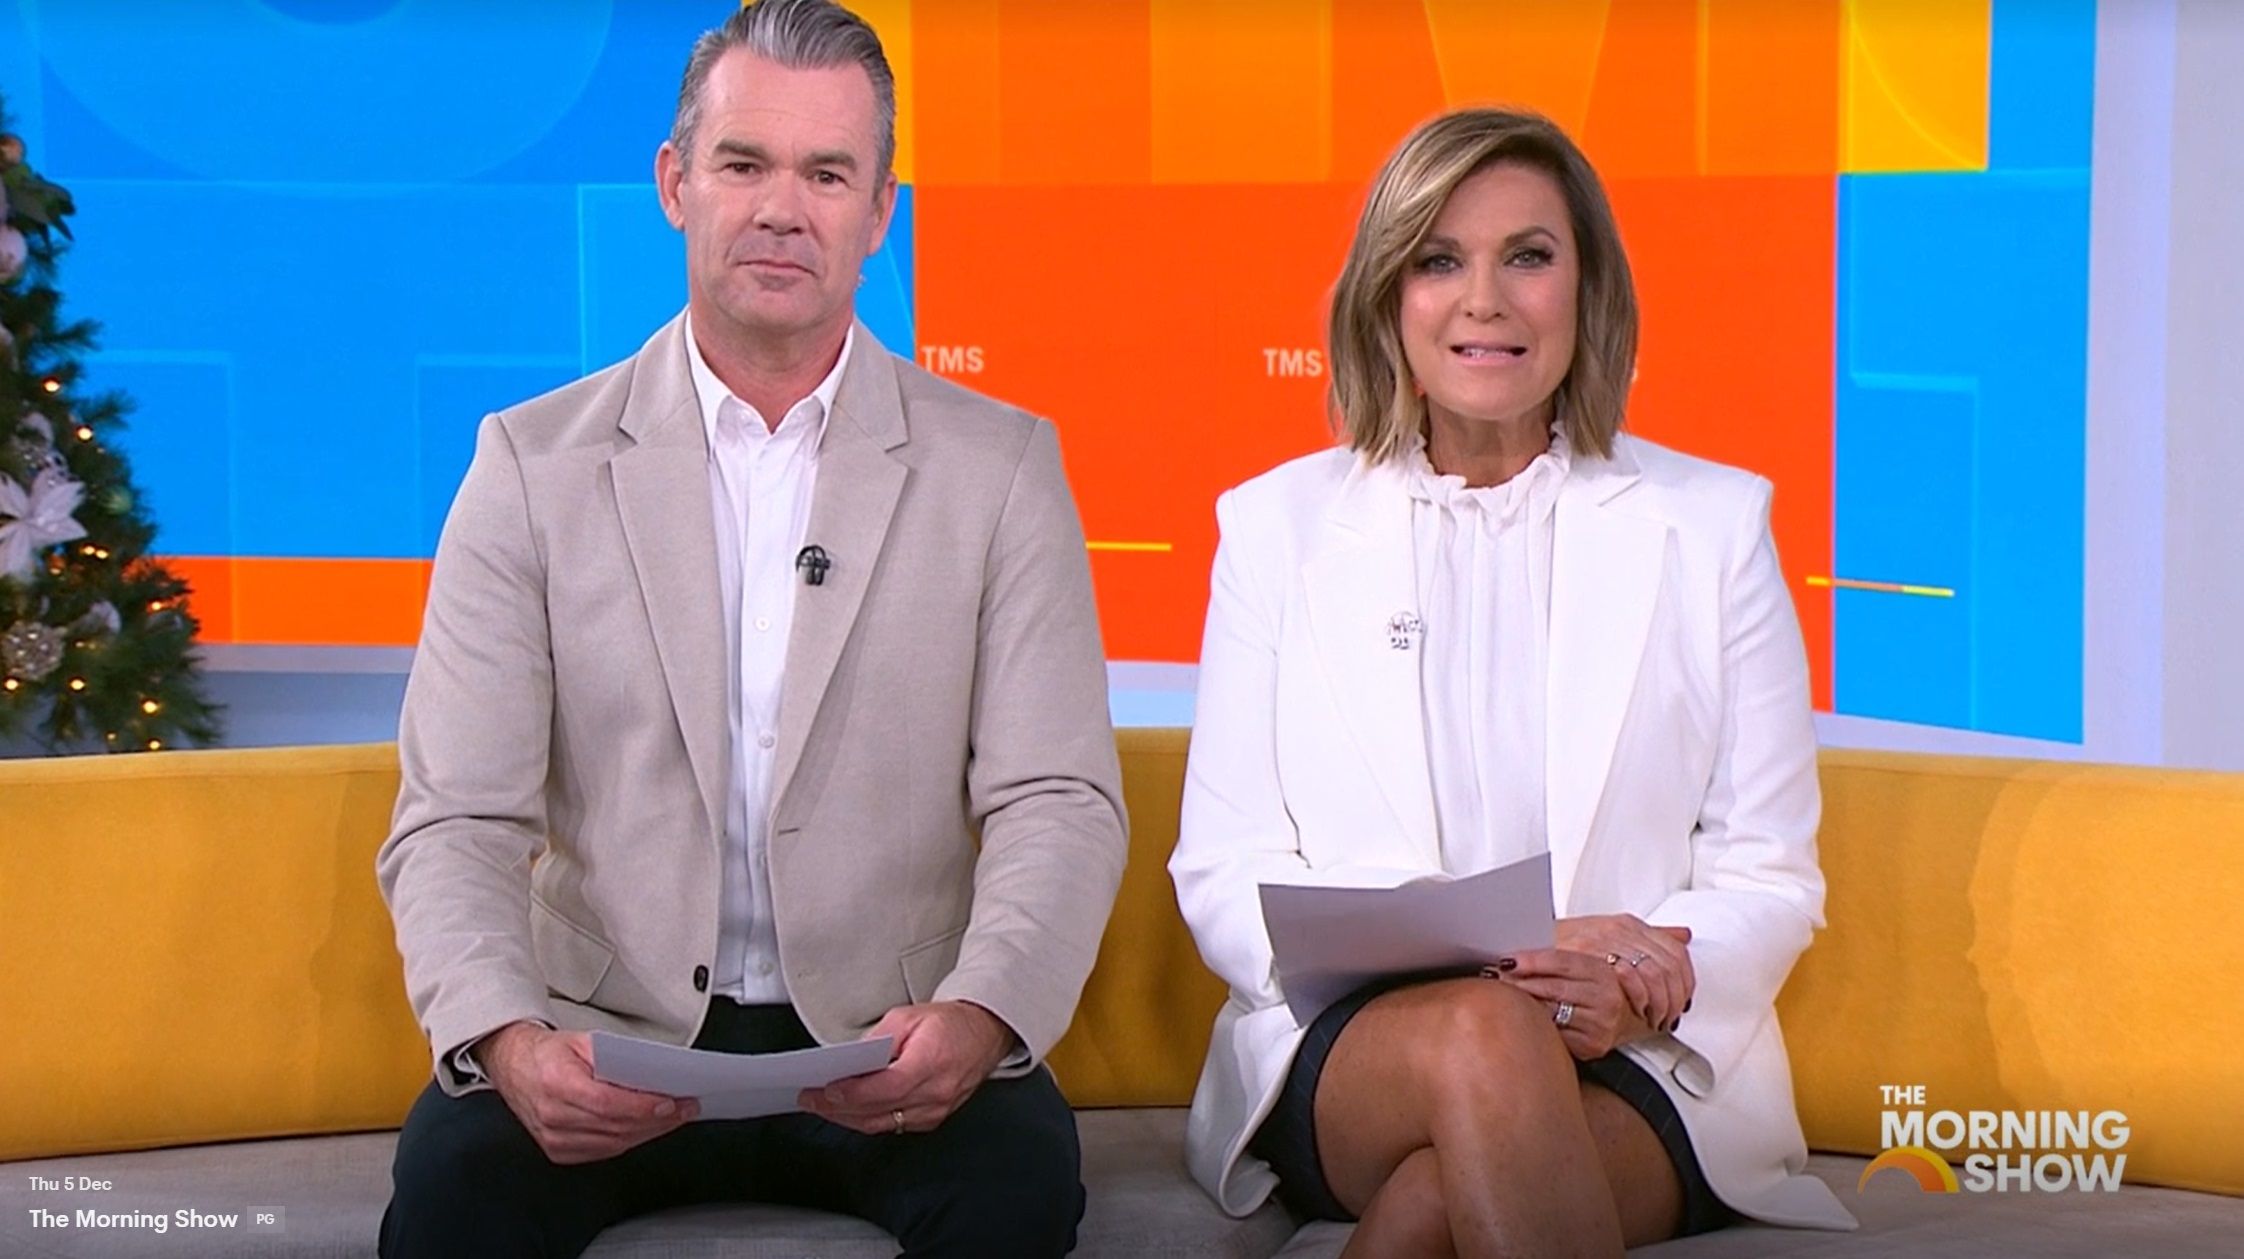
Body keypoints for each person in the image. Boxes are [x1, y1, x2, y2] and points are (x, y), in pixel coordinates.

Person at [374, 3, 1126, 1255]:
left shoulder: (1000, 468)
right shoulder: (530, 466)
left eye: (827, 173)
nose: (783, 209)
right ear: (676, 184)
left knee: (1019, 1189)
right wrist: (509, 1039)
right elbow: (456, 816)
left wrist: (981, 1015)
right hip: (605, 1035)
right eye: (744, 164)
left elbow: (1059, 798)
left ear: (879, 212)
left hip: (890, 1033)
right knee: (455, 1196)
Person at [1169, 108, 1857, 1256]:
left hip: (1641, 1054)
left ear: (1587, 294)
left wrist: (1643, 973)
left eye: (1527, 257)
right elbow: (1225, 870)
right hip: (1364, 1044)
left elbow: (1768, 868)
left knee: (1433, 1211)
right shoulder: (1273, 529)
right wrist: (1516, 958)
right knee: (1486, 1031)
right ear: (1390, 296)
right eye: (1440, 260)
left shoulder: (1715, 526)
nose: (1483, 300)